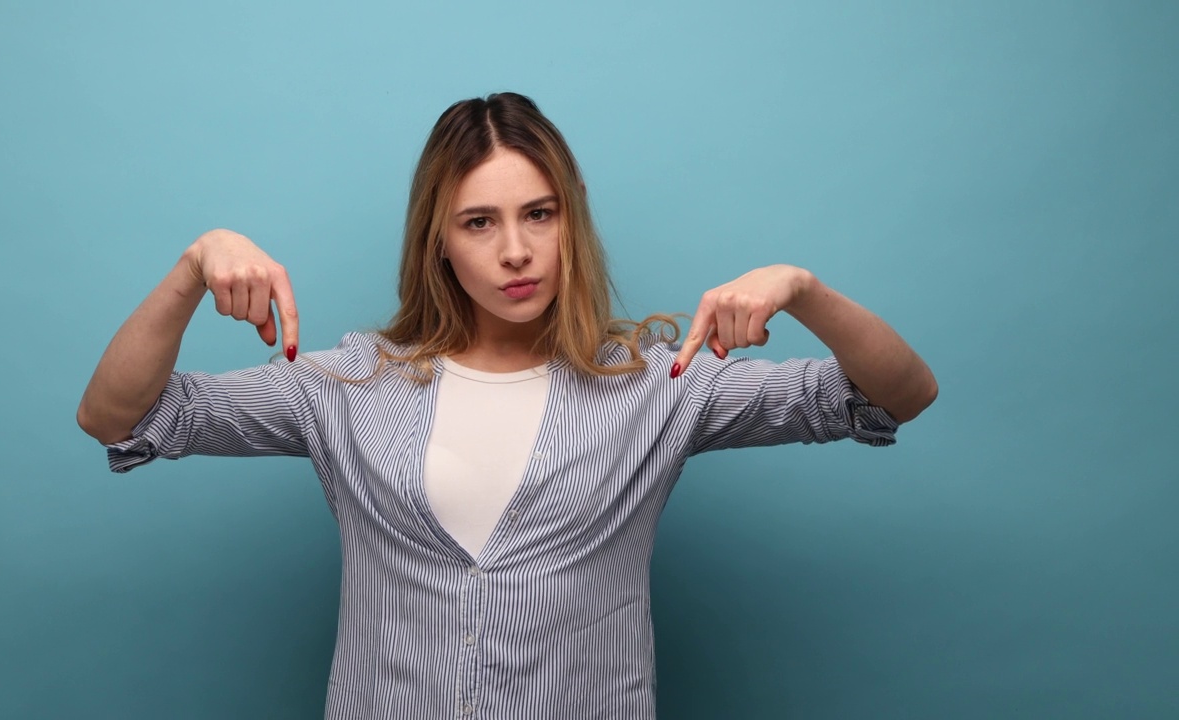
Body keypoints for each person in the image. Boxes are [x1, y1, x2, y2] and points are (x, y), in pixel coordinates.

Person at [78, 92, 937, 720]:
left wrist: (804, 290)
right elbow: (122, 417)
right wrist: (193, 268)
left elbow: (897, 394)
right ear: (439, 244)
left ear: (572, 223)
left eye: (539, 214)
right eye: (479, 223)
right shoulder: (347, 385)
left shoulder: (657, 385)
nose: (517, 251)